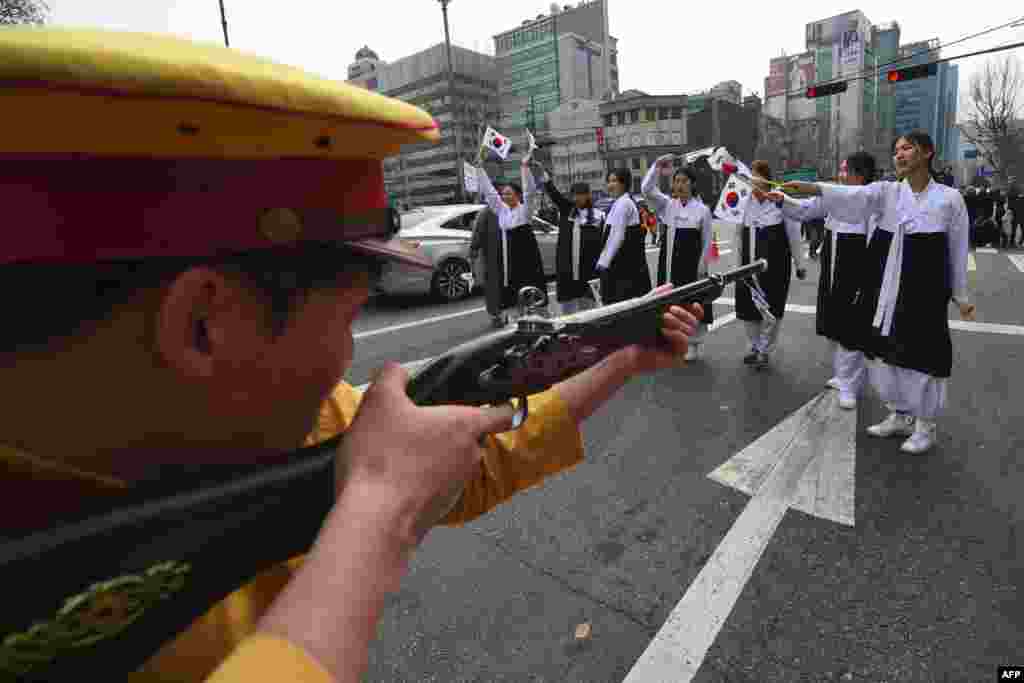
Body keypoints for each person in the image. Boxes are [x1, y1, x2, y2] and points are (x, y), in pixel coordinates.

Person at [0, 27, 704, 682]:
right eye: (343, 321)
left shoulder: (254, 417)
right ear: (204, 323)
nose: (350, 359)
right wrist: (375, 519)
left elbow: (468, 453)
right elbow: (388, 478)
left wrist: (622, 355)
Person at [777, 131, 975, 455]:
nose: (899, 154)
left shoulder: (949, 199)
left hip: (925, 289)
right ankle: (900, 414)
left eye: (907, 148)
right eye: (896, 150)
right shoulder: (887, 193)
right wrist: (814, 189)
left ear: (927, 153)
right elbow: (854, 198)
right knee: (883, 353)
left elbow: (957, 248)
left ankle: (925, 426)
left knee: (922, 355)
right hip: (886, 285)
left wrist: (961, 296)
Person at [762, 152, 880, 409]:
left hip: (856, 274)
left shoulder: (872, 203)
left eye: (845, 171)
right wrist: (782, 199)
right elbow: (805, 210)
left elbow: (875, 246)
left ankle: (850, 384)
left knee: (852, 329)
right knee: (835, 326)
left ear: (860, 176)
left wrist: (869, 282)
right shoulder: (835, 197)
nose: (840, 175)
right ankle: (844, 376)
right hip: (832, 271)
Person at [642, 155, 714, 361]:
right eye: (676, 181)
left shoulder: (702, 210)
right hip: (670, 263)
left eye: (684, 181)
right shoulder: (667, 205)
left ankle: (692, 343)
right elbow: (647, 189)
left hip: (692, 265)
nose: (680, 185)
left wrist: (703, 265)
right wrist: (656, 166)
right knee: (670, 302)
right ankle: (673, 340)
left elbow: (707, 242)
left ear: (692, 184)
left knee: (693, 302)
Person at [736, 161, 807, 370]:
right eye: (750, 177)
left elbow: (794, 234)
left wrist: (800, 263)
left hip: (774, 266)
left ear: (766, 179)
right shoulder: (744, 202)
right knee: (748, 309)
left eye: (757, 176)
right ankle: (755, 347)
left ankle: (765, 350)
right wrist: (735, 265)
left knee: (771, 308)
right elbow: (738, 237)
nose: (752, 181)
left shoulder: (780, 200)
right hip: (747, 266)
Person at [474, 153, 547, 317]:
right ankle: (517, 321)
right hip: (508, 254)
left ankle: (539, 318)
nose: (505, 196)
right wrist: (479, 169)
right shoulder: (502, 211)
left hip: (526, 254)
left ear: (518, 196)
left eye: (509, 194)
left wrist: (524, 167)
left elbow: (530, 192)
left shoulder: (525, 211)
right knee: (512, 291)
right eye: (504, 194)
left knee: (531, 287)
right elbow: (490, 193)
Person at [538, 171, 606, 315]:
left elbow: (602, 244)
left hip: (588, 269)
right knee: (567, 311)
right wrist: (543, 175)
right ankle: (568, 335)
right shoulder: (566, 210)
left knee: (588, 308)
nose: (577, 198)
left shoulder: (598, 216)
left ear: (588, 195)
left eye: (581, 194)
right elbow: (554, 193)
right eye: (574, 194)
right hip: (567, 269)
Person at [596, 168, 653, 304]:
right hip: (622, 267)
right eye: (609, 181)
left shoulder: (624, 203)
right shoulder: (618, 203)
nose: (610, 185)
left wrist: (603, 262)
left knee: (623, 305)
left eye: (614, 181)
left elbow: (617, 235)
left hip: (624, 269)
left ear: (624, 183)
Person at [468, 205, 506, 326]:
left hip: (498, 255)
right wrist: (473, 250)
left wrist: (473, 250)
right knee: (495, 285)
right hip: (493, 255)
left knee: (495, 285)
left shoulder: (488, 212)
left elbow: (476, 235)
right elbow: (477, 235)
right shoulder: (486, 213)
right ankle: (497, 315)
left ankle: (498, 315)